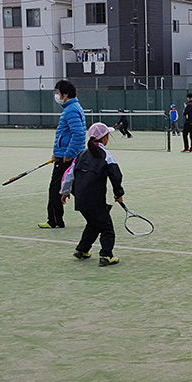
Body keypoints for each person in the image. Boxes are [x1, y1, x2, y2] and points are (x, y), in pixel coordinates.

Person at [60, 122, 125, 267]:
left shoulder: (81, 155)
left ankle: (82, 250)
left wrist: (65, 192)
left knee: (94, 223)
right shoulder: (106, 156)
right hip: (95, 200)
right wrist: (118, 194)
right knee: (107, 228)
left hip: (81, 200)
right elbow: (116, 176)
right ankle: (106, 255)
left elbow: (68, 175)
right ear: (104, 138)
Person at [39, 80, 86, 228]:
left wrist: (68, 154)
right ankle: (101, 211)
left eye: (58, 92)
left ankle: (54, 220)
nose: (56, 95)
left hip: (67, 158)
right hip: (65, 155)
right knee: (77, 189)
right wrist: (56, 153)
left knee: (56, 190)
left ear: (65, 94)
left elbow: (78, 134)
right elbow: (65, 135)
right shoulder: (71, 108)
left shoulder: (71, 110)